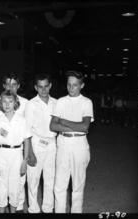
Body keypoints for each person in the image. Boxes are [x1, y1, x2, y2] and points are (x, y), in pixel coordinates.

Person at [50, 70, 94, 213]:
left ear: (82, 85)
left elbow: (84, 126)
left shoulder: (86, 102)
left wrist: (63, 121)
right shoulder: (61, 101)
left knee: (77, 186)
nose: (71, 88)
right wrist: (74, 126)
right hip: (63, 143)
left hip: (80, 145)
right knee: (59, 186)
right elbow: (53, 125)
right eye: (69, 85)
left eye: (75, 85)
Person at [0, 73, 37, 212]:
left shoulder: (23, 114)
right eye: (7, 84)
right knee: (1, 188)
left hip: (17, 153)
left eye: (10, 102)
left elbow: (27, 138)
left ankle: (16, 210)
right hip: (2, 154)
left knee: (16, 188)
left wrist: (26, 159)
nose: (7, 104)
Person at [25, 74, 57, 213]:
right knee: (33, 179)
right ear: (35, 87)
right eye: (40, 87)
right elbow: (27, 130)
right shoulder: (31, 104)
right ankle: (33, 209)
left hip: (52, 143)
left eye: (46, 86)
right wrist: (30, 152)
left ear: (50, 86)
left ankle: (48, 208)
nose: (43, 90)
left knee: (50, 178)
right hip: (36, 142)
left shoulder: (56, 103)